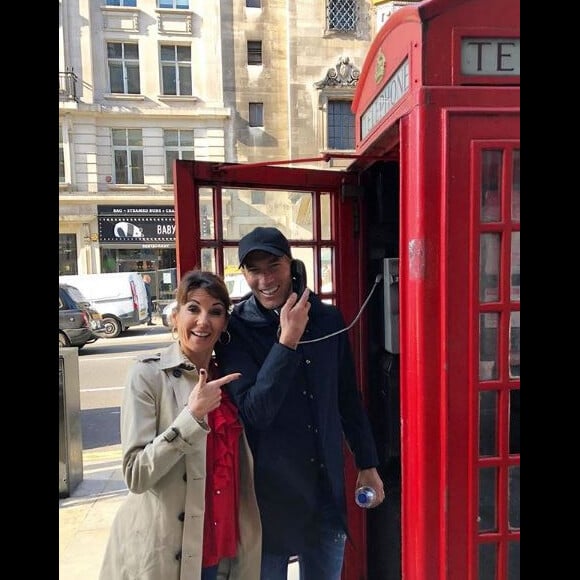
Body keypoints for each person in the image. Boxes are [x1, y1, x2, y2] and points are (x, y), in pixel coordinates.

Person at [214, 226, 385, 580]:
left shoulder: (327, 319)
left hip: (326, 490)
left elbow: (347, 397)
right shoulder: (235, 332)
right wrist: (287, 341)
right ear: (244, 275)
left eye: (273, 265)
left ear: (293, 265)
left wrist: (367, 462)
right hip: (271, 498)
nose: (265, 279)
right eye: (254, 270)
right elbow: (255, 412)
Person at [99, 270, 262, 580]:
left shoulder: (231, 380)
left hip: (221, 548)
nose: (203, 321)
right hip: (168, 551)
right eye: (193, 308)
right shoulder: (148, 376)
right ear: (175, 317)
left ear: (224, 323)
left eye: (215, 311)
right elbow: (136, 474)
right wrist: (191, 417)